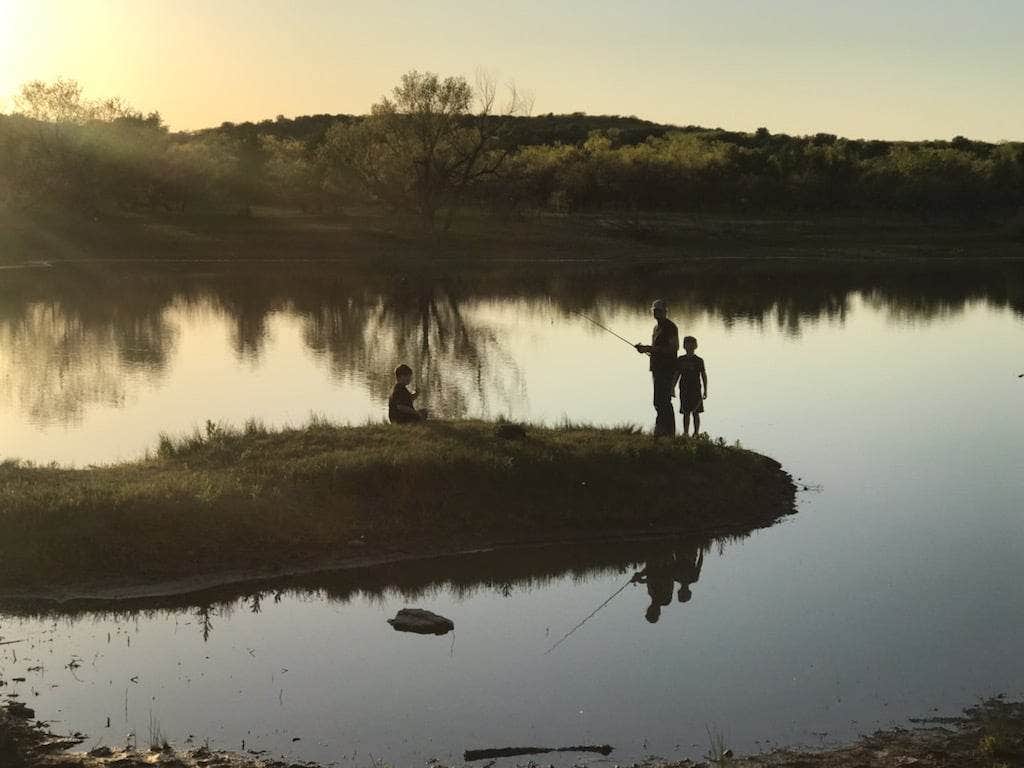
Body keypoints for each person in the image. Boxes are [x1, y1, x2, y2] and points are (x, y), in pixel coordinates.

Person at [635, 299, 679, 436]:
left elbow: (673, 348)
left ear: (665, 312)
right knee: (658, 401)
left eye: (659, 310)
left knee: (664, 400)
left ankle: (667, 432)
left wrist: (651, 349)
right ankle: (661, 431)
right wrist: (644, 349)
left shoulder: (671, 327)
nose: (656, 313)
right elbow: (657, 349)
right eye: (654, 310)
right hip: (656, 368)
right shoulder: (656, 328)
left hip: (667, 368)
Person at [676, 335, 707, 436]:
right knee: (685, 412)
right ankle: (685, 433)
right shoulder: (680, 359)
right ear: (684, 346)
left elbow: (703, 375)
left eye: (692, 344)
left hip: (696, 389)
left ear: (695, 346)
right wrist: (672, 387)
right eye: (687, 344)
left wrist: (705, 390)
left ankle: (696, 433)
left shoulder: (699, 360)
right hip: (684, 389)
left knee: (696, 412)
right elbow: (677, 374)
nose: (689, 346)